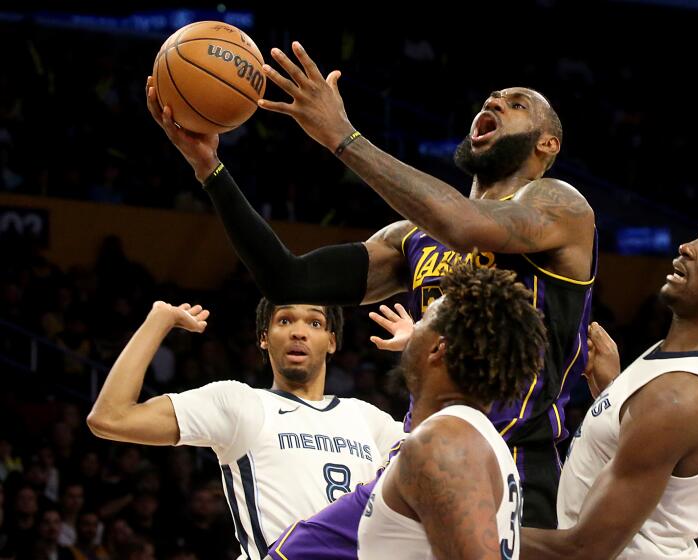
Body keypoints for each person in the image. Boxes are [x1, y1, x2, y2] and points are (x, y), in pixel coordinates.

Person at [146, 39, 597, 533]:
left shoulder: (560, 205)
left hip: (513, 465)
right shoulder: (412, 237)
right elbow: (288, 278)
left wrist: (342, 135)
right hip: (417, 461)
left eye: (515, 104)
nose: (493, 104)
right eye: (490, 99)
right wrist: (210, 170)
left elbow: (465, 225)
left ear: (546, 143)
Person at [522, 218, 698, 559]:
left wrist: (475, 528)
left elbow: (581, 552)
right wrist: (614, 391)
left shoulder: (676, 398)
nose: (686, 247)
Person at [87, 299, 404, 559]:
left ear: (332, 341)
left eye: (315, 323)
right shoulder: (240, 404)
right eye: (284, 320)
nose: (299, 332)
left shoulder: (369, 419)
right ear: (263, 338)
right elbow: (110, 417)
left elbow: (444, 453)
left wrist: (422, 349)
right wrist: (159, 319)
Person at [357, 265, 543, 559]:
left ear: (438, 348)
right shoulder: (480, 440)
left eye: (423, 319)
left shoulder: (442, 443)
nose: (413, 327)